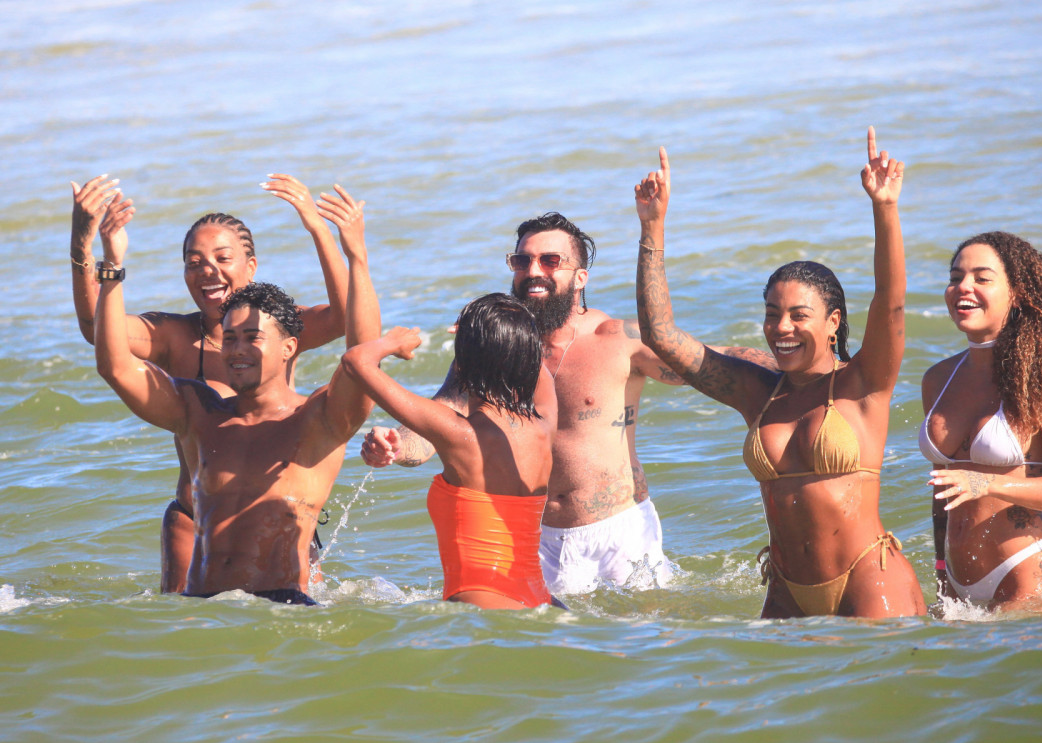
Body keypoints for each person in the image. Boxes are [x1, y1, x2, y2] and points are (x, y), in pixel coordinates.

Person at [361, 214, 776, 596]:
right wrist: (397, 446)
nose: (533, 271)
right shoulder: (496, 349)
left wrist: (808, 371)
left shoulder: (617, 340)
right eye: (522, 261)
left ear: (580, 277)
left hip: (620, 534)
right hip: (534, 537)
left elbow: (712, 363)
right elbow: (440, 422)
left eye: (550, 260)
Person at [634, 130, 925, 618]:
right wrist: (652, 228)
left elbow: (890, 302)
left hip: (868, 579)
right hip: (786, 589)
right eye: (772, 314)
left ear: (833, 323)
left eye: (797, 315)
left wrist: (885, 208)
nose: (781, 328)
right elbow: (660, 335)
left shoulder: (863, 383)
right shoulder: (757, 392)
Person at [91, 185, 379, 604]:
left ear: (289, 346)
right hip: (203, 605)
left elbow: (359, 355)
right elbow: (113, 365)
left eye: (252, 338)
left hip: (284, 606)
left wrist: (355, 255)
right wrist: (111, 264)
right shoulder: (198, 414)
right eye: (230, 339)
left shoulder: (318, 419)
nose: (238, 350)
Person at [343, 294, 557, 609]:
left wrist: (392, 342)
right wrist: (498, 333)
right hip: (538, 597)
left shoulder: (457, 432)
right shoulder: (544, 424)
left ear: (463, 358)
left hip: (481, 599)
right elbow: (532, 367)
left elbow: (355, 361)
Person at [921, 231, 1042, 611]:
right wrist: (939, 571)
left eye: (982, 278)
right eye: (955, 278)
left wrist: (986, 483)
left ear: (1016, 293)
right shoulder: (937, 379)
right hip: (955, 582)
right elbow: (943, 489)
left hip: (1026, 575)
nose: (962, 287)